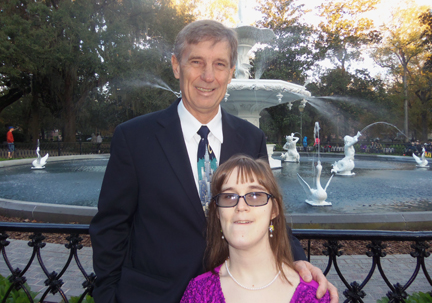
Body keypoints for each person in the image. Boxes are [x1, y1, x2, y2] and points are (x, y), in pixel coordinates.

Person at [89, 20, 338, 303]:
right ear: (176, 65)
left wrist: (297, 260)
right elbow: (111, 226)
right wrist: (107, 295)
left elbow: (267, 209)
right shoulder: (134, 138)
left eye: (219, 64)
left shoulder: (250, 138)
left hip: (231, 292)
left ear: (231, 72)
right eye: (196, 61)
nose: (208, 76)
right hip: (153, 295)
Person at [181, 155, 330, 302]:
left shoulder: (313, 295)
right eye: (229, 196)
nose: (240, 207)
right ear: (218, 212)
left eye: (254, 195)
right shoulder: (198, 294)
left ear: (274, 210)